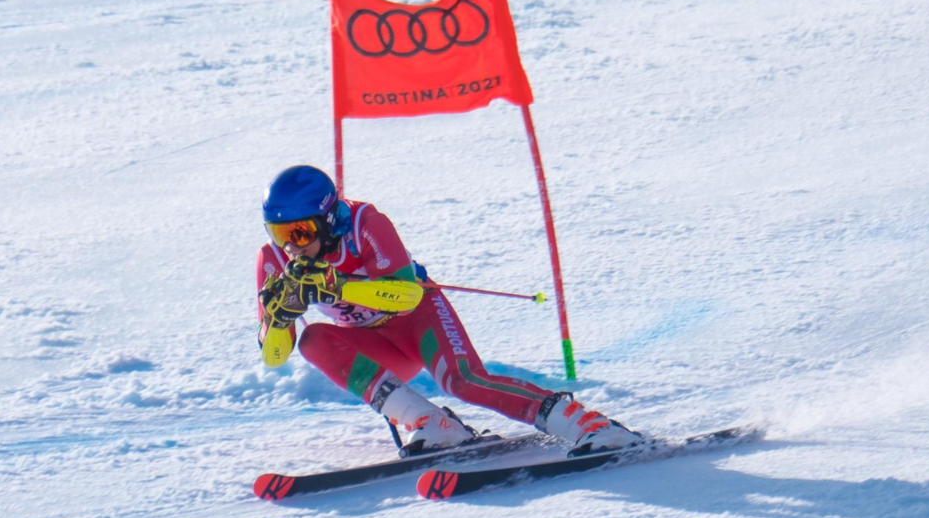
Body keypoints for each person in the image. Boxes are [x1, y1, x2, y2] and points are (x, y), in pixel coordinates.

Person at [256, 165, 643, 456]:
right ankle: (433, 424)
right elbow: (275, 357)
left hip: (417, 319)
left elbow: (406, 295)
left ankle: (591, 425)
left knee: (463, 382)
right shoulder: (272, 260)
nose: (290, 246)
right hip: (378, 345)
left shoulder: (365, 224)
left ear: (326, 219)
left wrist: (337, 285)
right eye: (279, 233)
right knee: (312, 339)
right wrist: (279, 318)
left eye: (300, 232)